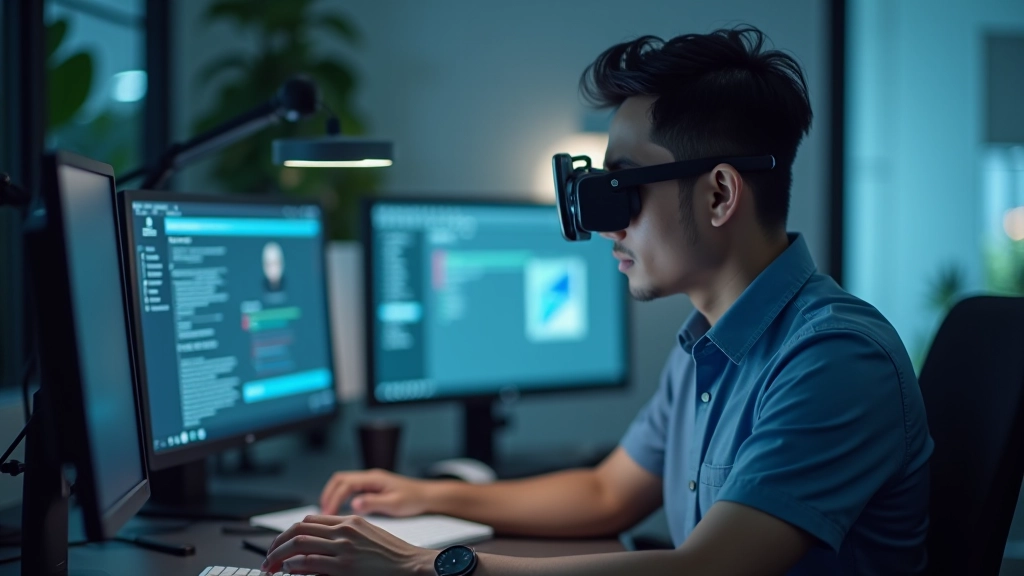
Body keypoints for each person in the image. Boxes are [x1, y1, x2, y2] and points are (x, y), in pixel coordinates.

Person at [262, 25, 932, 576]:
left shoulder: (833, 357)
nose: (606, 225)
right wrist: (427, 494)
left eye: (621, 191)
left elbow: (708, 570)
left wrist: (428, 567)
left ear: (721, 194)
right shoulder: (711, 340)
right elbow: (606, 491)